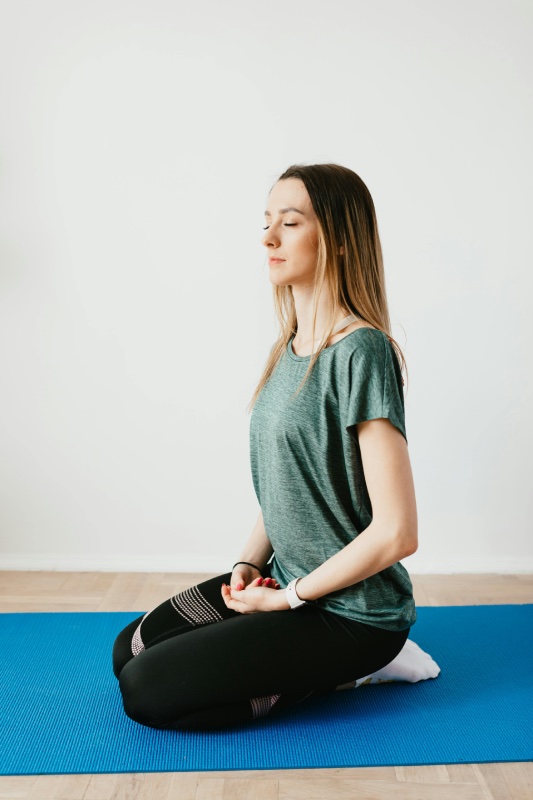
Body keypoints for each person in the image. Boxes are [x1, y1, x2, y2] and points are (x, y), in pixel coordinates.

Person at [112, 162, 418, 731]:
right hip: (287, 581)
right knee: (130, 649)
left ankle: (353, 670)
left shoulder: (362, 352)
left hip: (353, 614)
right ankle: (297, 657)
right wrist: (247, 564)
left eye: (291, 223)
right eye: (266, 222)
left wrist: (289, 599)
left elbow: (397, 532)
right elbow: (289, 482)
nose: (268, 238)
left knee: (147, 690)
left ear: (339, 239)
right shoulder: (287, 349)